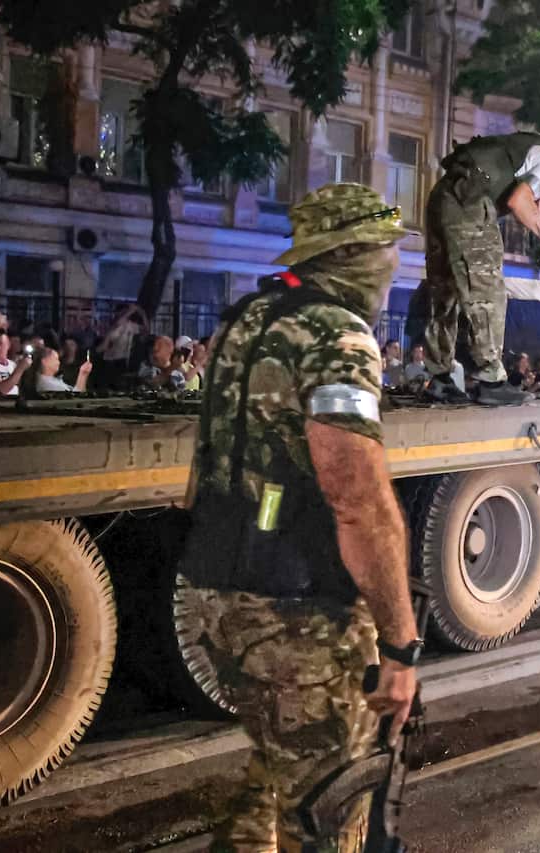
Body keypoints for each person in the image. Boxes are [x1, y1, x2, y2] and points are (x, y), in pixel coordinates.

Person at [183, 183, 420, 853]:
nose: (393, 265)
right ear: (349, 253)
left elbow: (209, 462)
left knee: (273, 781)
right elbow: (358, 499)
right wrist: (401, 646)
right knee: (328, 811)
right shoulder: (337, 334)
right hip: (296, 609)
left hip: (218, 587)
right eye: (385, 250)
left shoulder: (247, 316)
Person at [420, 122, 540, 406]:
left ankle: (439, 377)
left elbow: (527, 202)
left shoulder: (533, 148)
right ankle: (491, 380)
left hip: (446, 195)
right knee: (488, 291)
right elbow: (518, 201)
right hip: (470, 205)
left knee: (446, 292)